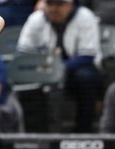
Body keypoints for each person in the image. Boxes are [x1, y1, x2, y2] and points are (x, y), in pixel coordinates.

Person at [17, 0, 102, 132]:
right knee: (26, 79)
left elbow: (87, 55)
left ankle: (83, 131)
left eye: (59, 4)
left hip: (75, 69)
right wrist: (44, 67)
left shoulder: (85, 17)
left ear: (71, 5)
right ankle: (35, 132)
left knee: (86, 77)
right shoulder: (36, 19)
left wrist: (58, 67)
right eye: (50, 4)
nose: (53, 9)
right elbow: (24, 51)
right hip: (42, 69)